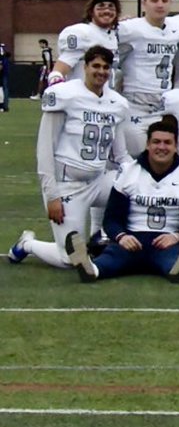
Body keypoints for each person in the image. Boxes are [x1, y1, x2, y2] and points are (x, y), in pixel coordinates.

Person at [9, 45, 131, 269]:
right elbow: (45, 147)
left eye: (105, 67)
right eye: (95, 66)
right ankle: (28, 244)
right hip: (68, 185)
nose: (101, 71)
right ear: (84, 67)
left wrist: (145, 181)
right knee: (69, 259)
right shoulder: (65, 94)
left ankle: (111, 238)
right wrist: (52, 194)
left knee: (141, 192)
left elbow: (121, 155)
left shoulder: (117, 103)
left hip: (98, 180)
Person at [64, 116, 179, 283]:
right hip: (132, 241)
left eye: (167, 143)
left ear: (176, 147)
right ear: (148, 145)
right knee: (111, 259)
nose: (162, 147)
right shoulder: (128, 172)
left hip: (166, 242)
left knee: (171, 261)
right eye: (156, 142)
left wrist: (177, 236)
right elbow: (111, 218)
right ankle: (91, 269)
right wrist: (122, 236)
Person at [116, 0, 179, 153]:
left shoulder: (177, 28)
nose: (160, 4)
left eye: (164, 0)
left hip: (162, 106)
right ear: (144, 3)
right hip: (135, 104)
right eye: (154, 0)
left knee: (163, 159)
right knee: (135, 158)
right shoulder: (129, 28)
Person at [50, 0, 121, 85]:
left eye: (111, 6)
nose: (107, 11)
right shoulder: (82, 32)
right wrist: (55, 80)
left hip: (105, 97)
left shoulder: (114, 35)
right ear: (91, 11)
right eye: (101, 6)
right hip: (81, 97)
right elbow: (62, 66)